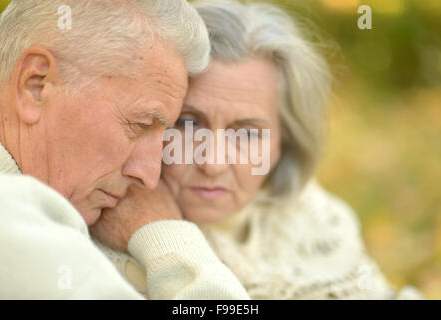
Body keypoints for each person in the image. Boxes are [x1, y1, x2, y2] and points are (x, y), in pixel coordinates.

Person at [98, 0, 423, 299]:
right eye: (188, 124)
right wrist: (162, 239)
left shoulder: (319, 220)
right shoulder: (98, 234)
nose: (212, 163)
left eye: (248, 134)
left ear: (286, 141)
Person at [0, 0, 250, 300]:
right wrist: (165, 236)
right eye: (140, 125)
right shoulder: (7, 214)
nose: (151, 178)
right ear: (35, 84)